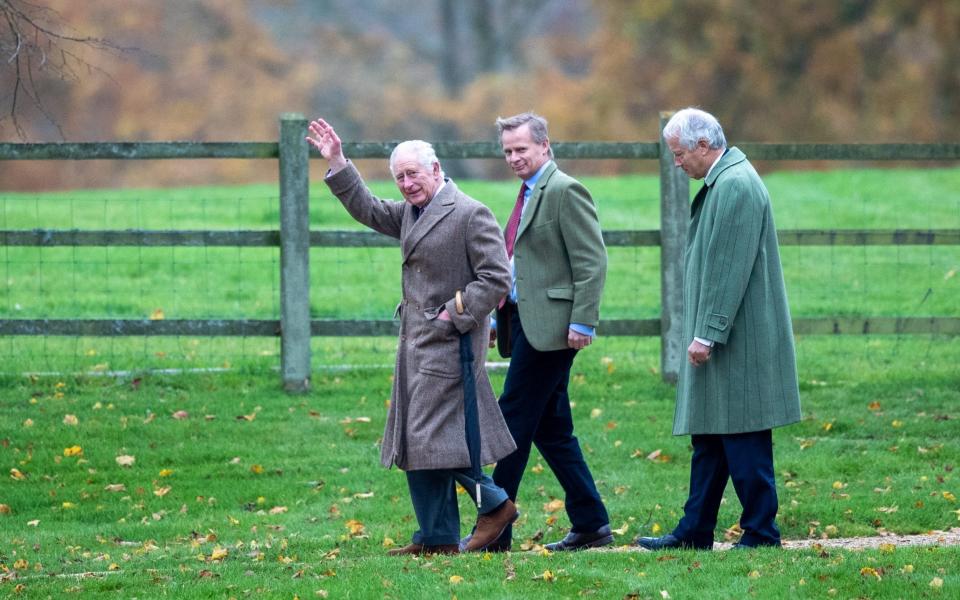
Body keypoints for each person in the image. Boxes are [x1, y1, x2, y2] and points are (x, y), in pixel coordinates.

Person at [306, 118, 520, 556]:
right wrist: (338, 162)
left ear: (436, 169)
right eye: (399, 177)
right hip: (416, 345)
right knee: (417, 438)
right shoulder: (410, 214)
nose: (406, 184)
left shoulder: (468, 212)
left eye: (413, 174)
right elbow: (367, 208)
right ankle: (437, 538)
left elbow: (496, 278)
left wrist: (454, 312)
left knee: (429, 438)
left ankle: (495, 504)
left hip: (451, 344)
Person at [636, 108, 802, 551]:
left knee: (743, 436)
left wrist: (706, 333)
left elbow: (729, 269)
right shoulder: (724, 180)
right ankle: (695, 531)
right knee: (709, 438)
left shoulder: (734, 186)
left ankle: (761, 533)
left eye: (679, 154)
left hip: (737, 339)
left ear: (704, 146)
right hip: (729, 336)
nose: (677, 163)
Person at [463, 111, 613, 552]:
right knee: (551, 428)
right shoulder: (527, 193)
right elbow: (516, 265)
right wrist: (494, 314)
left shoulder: (566, 191)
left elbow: (592, 261)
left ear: (544, 146)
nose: (513, 157)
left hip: (554, 330)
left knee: (513, 418)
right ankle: (591, 523)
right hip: (523, 322)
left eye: (521, 149)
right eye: (507, 151)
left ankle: (495, 526)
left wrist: (583, 321)